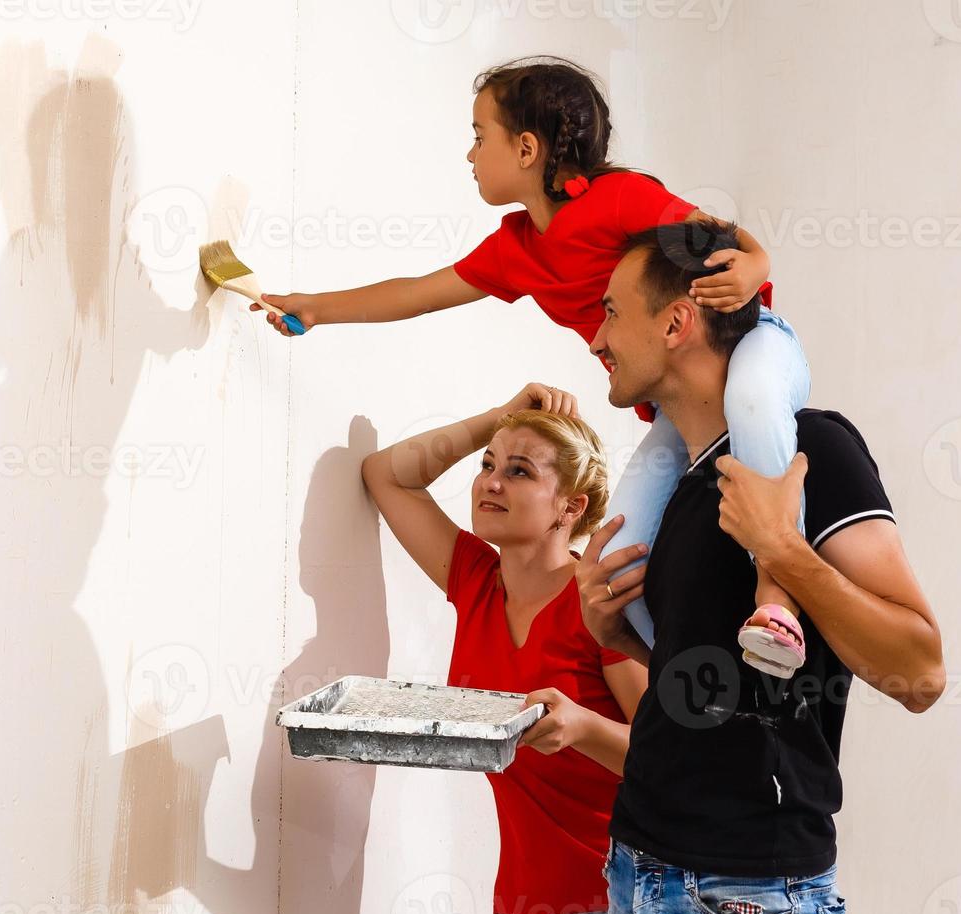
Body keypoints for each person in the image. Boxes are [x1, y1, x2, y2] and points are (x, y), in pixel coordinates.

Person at [252, 55, 811, 675]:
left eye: (477, 135)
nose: (469, 155)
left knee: (753, 400)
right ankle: (680, 679)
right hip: (677, 411)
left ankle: (778, 599)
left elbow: (724, 239)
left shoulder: (617, 200)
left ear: (525, 148)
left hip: (755, 343)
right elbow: (416, 292)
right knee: (612, 567)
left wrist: (758, 265)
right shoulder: (517, 249)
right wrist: (316, 308)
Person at [574, 217, 945, 914]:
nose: (595, 338)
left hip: (747, 899)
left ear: (677, 322)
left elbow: (923, 669)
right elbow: (718, 680)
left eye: (612, 311)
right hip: (639, 868)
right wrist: (626, 641)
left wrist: (784, 553)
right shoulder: (682, 484)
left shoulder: (817, 451)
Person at [362, 381, 648, 914]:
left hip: (631, 909)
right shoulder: (473, 579)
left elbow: (673, 761)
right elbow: (385, 474)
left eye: (519, 472)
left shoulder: (595, 603)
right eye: (487, 465)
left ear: (570, 507)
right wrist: (498, 418)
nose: (491, 481)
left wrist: (584, 727)